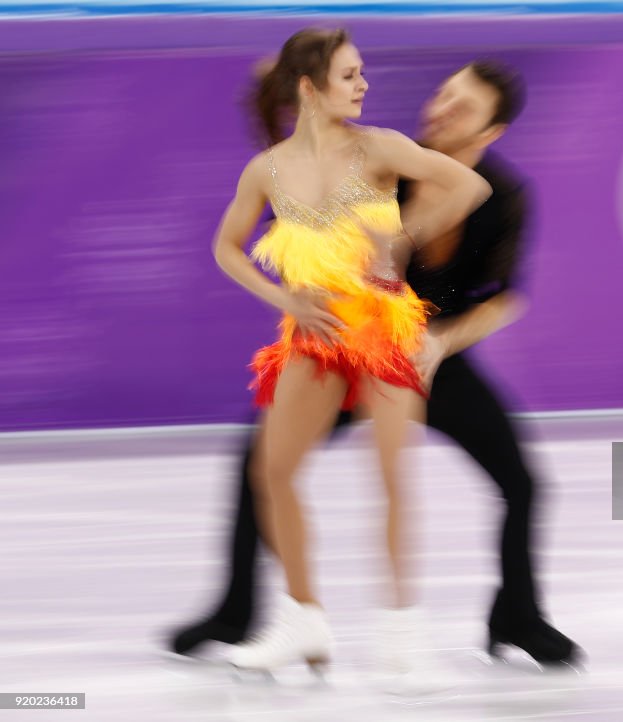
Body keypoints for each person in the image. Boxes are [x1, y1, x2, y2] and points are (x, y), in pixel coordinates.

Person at [173, 58, 581, 670]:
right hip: (350, 350)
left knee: (522, 483)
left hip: (428, 356)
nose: (441, 109)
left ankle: (517, 615)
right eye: (444, 93)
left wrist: (441, 344)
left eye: (462, 107)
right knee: (261, 461)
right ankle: (239, 613)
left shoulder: (506, 197)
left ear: (490, 133)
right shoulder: (382, 159)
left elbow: (505, 298)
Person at [209, 27, 491, 673]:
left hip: (383, 332)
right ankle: (303, 620)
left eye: (363, 73)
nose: (364, 85)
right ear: (309, 87)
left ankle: (401, 631)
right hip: (315, 335)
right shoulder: (268, 169)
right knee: (272, 472)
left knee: (392, 475)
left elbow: (469, 188)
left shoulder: (380, 148)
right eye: (349, 75)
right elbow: (226, 246)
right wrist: (287, 302)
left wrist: (403, 240)